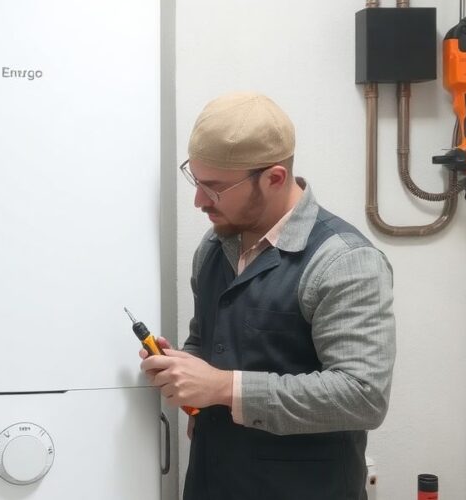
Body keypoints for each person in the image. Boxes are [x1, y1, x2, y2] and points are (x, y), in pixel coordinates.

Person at [140, 92, 395, 500]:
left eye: (214, 188)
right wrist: (183, 366)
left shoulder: (345, 261)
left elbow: (363, 396)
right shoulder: (213, 247)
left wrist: (223, 387)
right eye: (196, 181)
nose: (199, 201)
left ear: (274, 178)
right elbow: (207, 339)